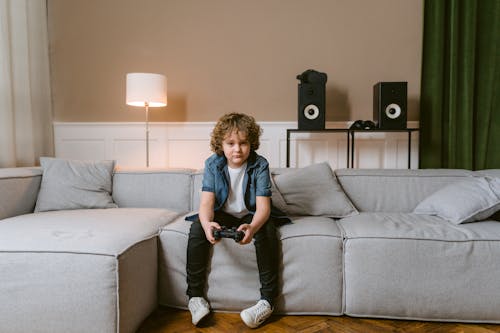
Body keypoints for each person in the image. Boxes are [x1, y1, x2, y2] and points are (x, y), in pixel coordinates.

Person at [185, 112, 286, 328]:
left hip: (251, 214)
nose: (237, 149)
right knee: (196, 229)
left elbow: (263, 208)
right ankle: (195, 298)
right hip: (223, 213)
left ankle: (267, 302)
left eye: (243, 143)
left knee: (267, 229)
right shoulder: (213, 164)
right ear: (221, 144)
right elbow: (206, 205)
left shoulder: (260, 165)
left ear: (252, 144)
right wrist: (206, 224)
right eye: (230, 143)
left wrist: (252, 226)